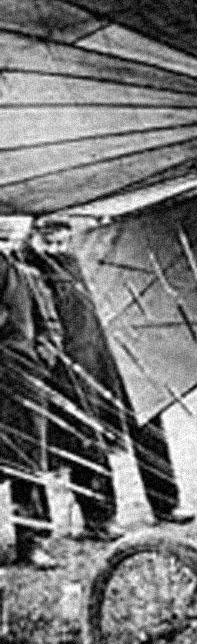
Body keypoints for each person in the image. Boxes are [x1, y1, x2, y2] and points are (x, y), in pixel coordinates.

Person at [26, 217, 193, 528]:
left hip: (114, 356)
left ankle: (166, 503)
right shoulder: (29, 270)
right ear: (34, 236)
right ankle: (100, 519)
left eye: (62, 242)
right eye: (48, 243)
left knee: (147, 425)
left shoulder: (87, 257)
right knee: (86, 439)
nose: (56, 250)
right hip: (73, 366)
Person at [0, 220, 58, 568]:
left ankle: (32, 542)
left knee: (27, 463)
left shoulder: (28, 278)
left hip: (23, 383)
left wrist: (40, 361)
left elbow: (50, 327)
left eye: (7, 239)